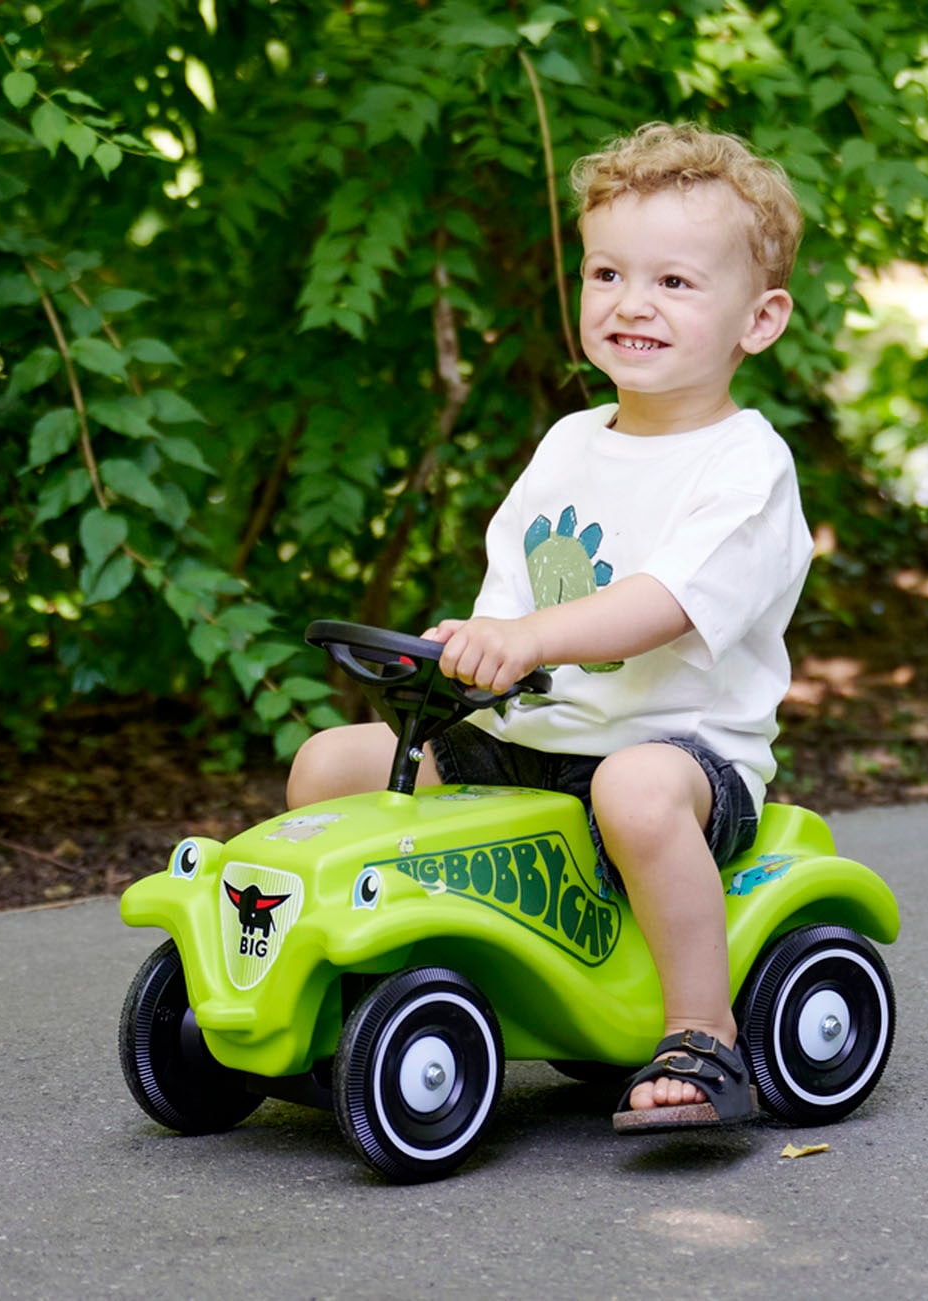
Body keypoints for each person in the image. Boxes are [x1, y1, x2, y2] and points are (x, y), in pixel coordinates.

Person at [287, 121, 812, 1132]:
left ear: (759, 319)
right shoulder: (570, 443)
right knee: (331, 765)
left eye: (673, 282)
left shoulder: (745, 466)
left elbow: (663, 600)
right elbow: (514, 596)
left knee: (633, 787)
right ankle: (364, 983)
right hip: (526, 745)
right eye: (607, 271)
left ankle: (702, 1032)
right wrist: (473, 647)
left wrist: (529, 643)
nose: (630, 302)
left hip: (680, 757)